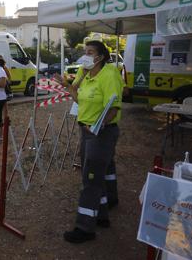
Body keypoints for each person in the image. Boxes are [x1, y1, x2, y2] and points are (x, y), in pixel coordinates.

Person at [56, 40, 124, 243]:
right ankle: (101, 216)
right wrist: (67, 86)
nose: (85, 56)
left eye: (90, 52)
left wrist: (100, 125)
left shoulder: (108, 75)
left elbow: (114, 107)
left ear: (100, 57)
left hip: (101, 133)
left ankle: (85, 228)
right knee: (95, 176)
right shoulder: (88, 76)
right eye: (85, 52)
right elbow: (79, 99)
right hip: (86, 130)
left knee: (90, 180)